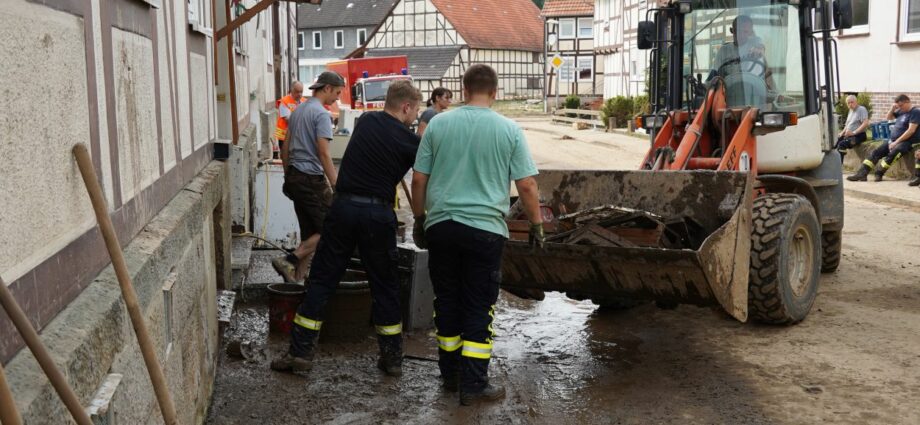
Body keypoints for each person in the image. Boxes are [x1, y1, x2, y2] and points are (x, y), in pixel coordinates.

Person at [410, 64, 545, 406]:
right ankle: (473, 384)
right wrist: (537, 224)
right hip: (485, 231)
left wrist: (419, 218)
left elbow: (419, 180)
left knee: (448, 301)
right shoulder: (508, 129)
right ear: (495, 92)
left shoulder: (438, 124)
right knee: (478, 305)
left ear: (464, 89)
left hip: (442, 227)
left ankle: (450, 375)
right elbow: (527, 184)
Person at [270, 80, 423, 376]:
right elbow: (424, 175)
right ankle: (391, 359)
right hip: (377, 215)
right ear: (406, 107)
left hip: (343, 209)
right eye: (414, 111)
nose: (414, 116)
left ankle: (300, 353)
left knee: (322, 281)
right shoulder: (410, 141)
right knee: (385, 285)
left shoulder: (365, 121)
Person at [272, 72, 344, 283]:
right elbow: (324, 152)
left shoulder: (298, 110)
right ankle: (288, 260)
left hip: (295, 175)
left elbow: (284, 148)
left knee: (310, 233)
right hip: (311, 178)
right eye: (337, 93)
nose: (337, 99)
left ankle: (296, 282)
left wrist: (288, 175)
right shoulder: (321, 114)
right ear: (327, 88)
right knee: (334, 227)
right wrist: (336, 185)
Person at [848, 94, 920, 182]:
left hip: (907, 141)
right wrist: (892, 109)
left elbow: (911, 131)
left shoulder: (915, 112)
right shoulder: (902, 111)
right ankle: (862, 173)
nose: (900, 108)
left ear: (907, 102)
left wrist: (896, 142)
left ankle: (879, 173)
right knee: (876, 152)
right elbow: (889, 117)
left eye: (901, 105)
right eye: (898, 106)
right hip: (893, 140)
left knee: (894, 153)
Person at [711, 15, 776, 105]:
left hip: (755, 97)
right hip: (729, 98)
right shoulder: (723, 51)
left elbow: (760, 45)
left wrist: (760, 48)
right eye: (738, 31)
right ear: (732, 30)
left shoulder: (755, 47)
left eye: (745, 32)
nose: (741, 35)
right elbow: (714, 76)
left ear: (750, 33)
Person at [274, 82, 305, 156]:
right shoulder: (284, 101)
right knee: (287, 157)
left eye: (301, 92)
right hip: (284, 136)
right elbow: (288, 119)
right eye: (297, 92)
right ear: (292, 90)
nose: (299, 94)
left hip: (299, 136)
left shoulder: (304, 101)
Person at [835, 95, 870, 161]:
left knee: (841, 145)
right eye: (848, 103)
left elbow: (865, 123)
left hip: (859, 135)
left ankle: (839, 168)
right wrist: (842, 133)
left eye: (852, 102)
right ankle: (834, 165)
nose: (850, 104)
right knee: (835, 142)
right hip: (849, 135)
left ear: (856, 102)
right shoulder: (850, 111)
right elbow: (847, 124)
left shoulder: (861, 109)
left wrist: (853, 133)